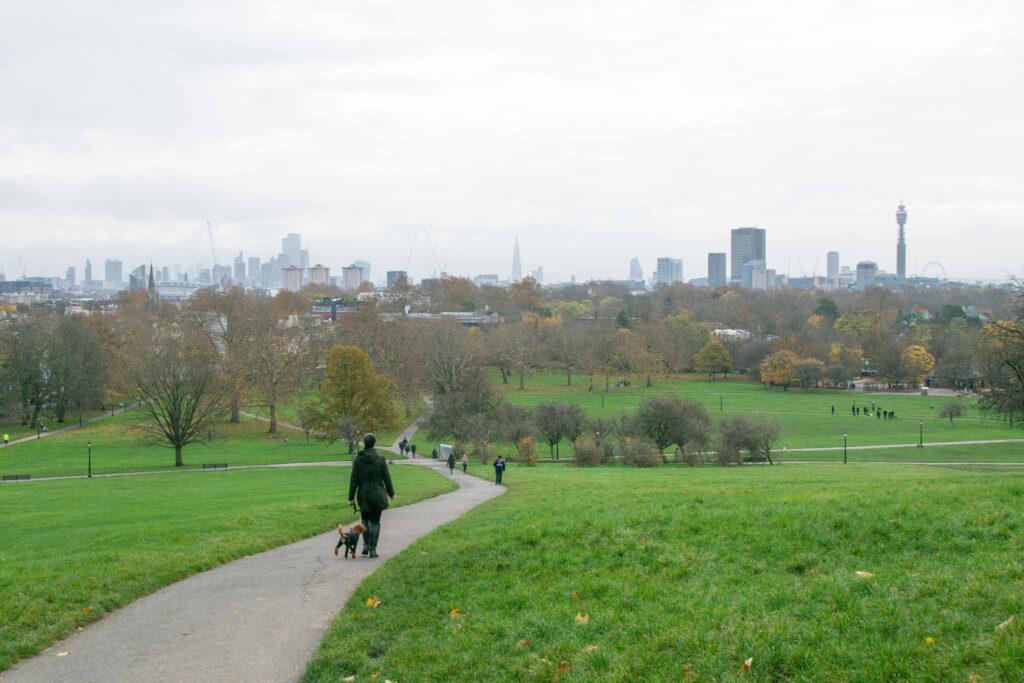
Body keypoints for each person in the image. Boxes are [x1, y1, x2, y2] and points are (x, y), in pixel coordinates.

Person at [348, 434, 395, 559]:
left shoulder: (358, 460)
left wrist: (351, 496)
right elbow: (387, 478)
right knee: (375, 522)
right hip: (377, 494)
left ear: (364, 443)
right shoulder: (380, 459)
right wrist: (391, 493)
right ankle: (373, 549)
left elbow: (354, 480)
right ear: (374, 443)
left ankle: (366, 545)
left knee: (365, 520)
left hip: (363, 494)